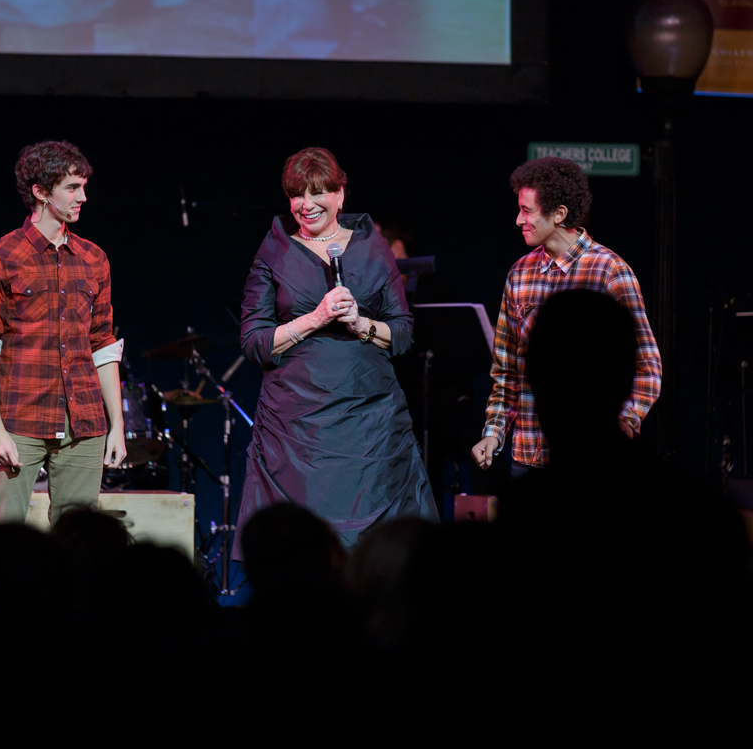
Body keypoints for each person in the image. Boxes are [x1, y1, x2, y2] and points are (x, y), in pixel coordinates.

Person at [233, 147, 438, 560]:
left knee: (377, 557)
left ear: (341, 194)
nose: (306, 205)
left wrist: (361, 324)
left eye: (317, 193)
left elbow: (402, 333)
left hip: (370, 426)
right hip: (297, 430)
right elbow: (253, 341)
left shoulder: (372, 246)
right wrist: (315, 317)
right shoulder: (274, 250)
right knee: (301, 553)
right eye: (296, 195)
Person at [0, 140, 125, 527]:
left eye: (83, 187)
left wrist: (117, 426)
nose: (83, 197)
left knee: (81, 543)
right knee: (1, 538)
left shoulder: (94, 258)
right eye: (72, 188)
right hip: (20, 420)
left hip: (84, 423)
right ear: (40, 192)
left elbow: (103, 344)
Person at [470, 157, 662, 474]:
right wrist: (493, 434)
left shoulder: (610, 271)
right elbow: (506, 372)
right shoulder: (519, 273)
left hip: (590, 462)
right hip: (527, 457)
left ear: (559, 214)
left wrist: (625, 420)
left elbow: (648, 366)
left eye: (527, 210)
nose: (518, 220)